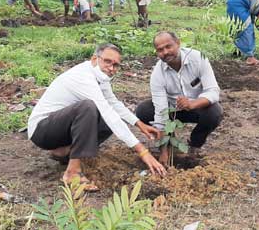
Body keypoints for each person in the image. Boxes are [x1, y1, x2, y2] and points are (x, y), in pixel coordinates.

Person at [27, 43, 167, 190]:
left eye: (116, 65)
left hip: (59, 129)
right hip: (42, 131)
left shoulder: (101, 77)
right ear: (94, 59)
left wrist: (139, 124)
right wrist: (143, 151)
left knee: (106, 118)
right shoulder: (83, 77)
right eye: (107, 61)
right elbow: (108, 112)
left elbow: (113, 103)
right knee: (88, 108)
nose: (111, 68)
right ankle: (72, 173)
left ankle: (65, 151)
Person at [135, 32, 223, 166]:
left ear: (178, 43)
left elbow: (213, 91)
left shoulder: (198, 59)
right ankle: (171, 145)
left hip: (197, 108)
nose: (165, 52)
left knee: (214, 112)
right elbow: (161, 111)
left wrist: (192, 104)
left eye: (168, 46)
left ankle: (194, 145)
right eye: (160, 50)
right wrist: (163, 151)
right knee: (143, 111)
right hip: (172, 110)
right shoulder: (157, 74)